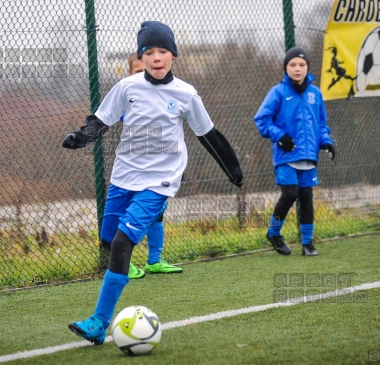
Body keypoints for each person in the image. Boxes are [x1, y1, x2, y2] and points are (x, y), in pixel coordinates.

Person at [62, 20, 243, 344]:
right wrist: (80, 137)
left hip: (159, 182)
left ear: (173, 55)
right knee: (108, 243)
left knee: (121, 244)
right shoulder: (128, 87)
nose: (156, 57)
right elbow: (100, 120)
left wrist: (232, 167)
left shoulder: (186, 94)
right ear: (141, 57)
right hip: (123, 177)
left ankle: (98, 322)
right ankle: (117, 286)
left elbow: (208, 134)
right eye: (149, 52)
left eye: (163, 51)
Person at [253, 47, 335, 257]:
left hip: (308, 157)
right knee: (290, 194)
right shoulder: (278, 92)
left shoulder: (315, 94)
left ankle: (307, 243)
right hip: (286, 157)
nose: (297, 69)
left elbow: (322, 124)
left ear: (307, 68)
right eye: (292, 65)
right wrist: (279, 136)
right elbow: (262, 119)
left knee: (306, 197)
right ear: (285, 68)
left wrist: (326, 141)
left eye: (301, 65)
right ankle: (274, 233)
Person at [124, 52, 182, 279]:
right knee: (134, 214)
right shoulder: (127, 95)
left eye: (144, 71)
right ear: (130, 74)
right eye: (137, 71)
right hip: (134, 167)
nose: (142, 75)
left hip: (161, 166)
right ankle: (123, 262)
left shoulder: (169, 94)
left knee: (158, 214)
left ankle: (154, 261)